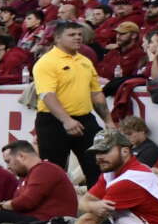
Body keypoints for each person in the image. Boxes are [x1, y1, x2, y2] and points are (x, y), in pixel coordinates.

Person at [32, 21, 108, 178]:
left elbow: (96, 93)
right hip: (53, 121)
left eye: (80, 34)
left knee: (97, 166)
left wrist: (109, 122)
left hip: (85, 119)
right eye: (72, 35)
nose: (78, 38)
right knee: (53, 171)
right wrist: (66, 120)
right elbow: (47, 95)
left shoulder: (85, 61)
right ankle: (53, 202)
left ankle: (96, 200)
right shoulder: (46, 62)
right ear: (57, 38)